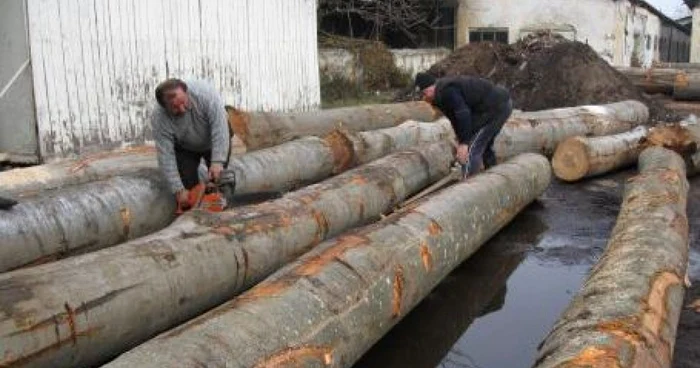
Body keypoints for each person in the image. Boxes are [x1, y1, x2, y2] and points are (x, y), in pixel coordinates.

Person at [151, 78, 236, 210]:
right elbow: (165, 155)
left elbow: (219, 129)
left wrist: (217, 161)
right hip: (185, 147)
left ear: (187, 93)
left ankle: (221, 206)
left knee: (218, 178)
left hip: (214, 138)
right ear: (164, 107)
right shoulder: (159, 118)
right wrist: (178, 190)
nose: (182, 109)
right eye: (175, 107)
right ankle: (198, 213)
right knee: (189, 188)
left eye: (184, 103)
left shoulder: (206, 95)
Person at [414, 72, 513, 178]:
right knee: (482, 143)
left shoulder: (447, 91)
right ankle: (492, 177)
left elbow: (463, 114)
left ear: (430, 88)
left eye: (424, 93)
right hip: (489, 107)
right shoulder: (439, 97)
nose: (424, 98)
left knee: (471, 149)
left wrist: (464, 144)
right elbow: (454, 119)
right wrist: (460, 139)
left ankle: (468, 185)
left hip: (497, 107)